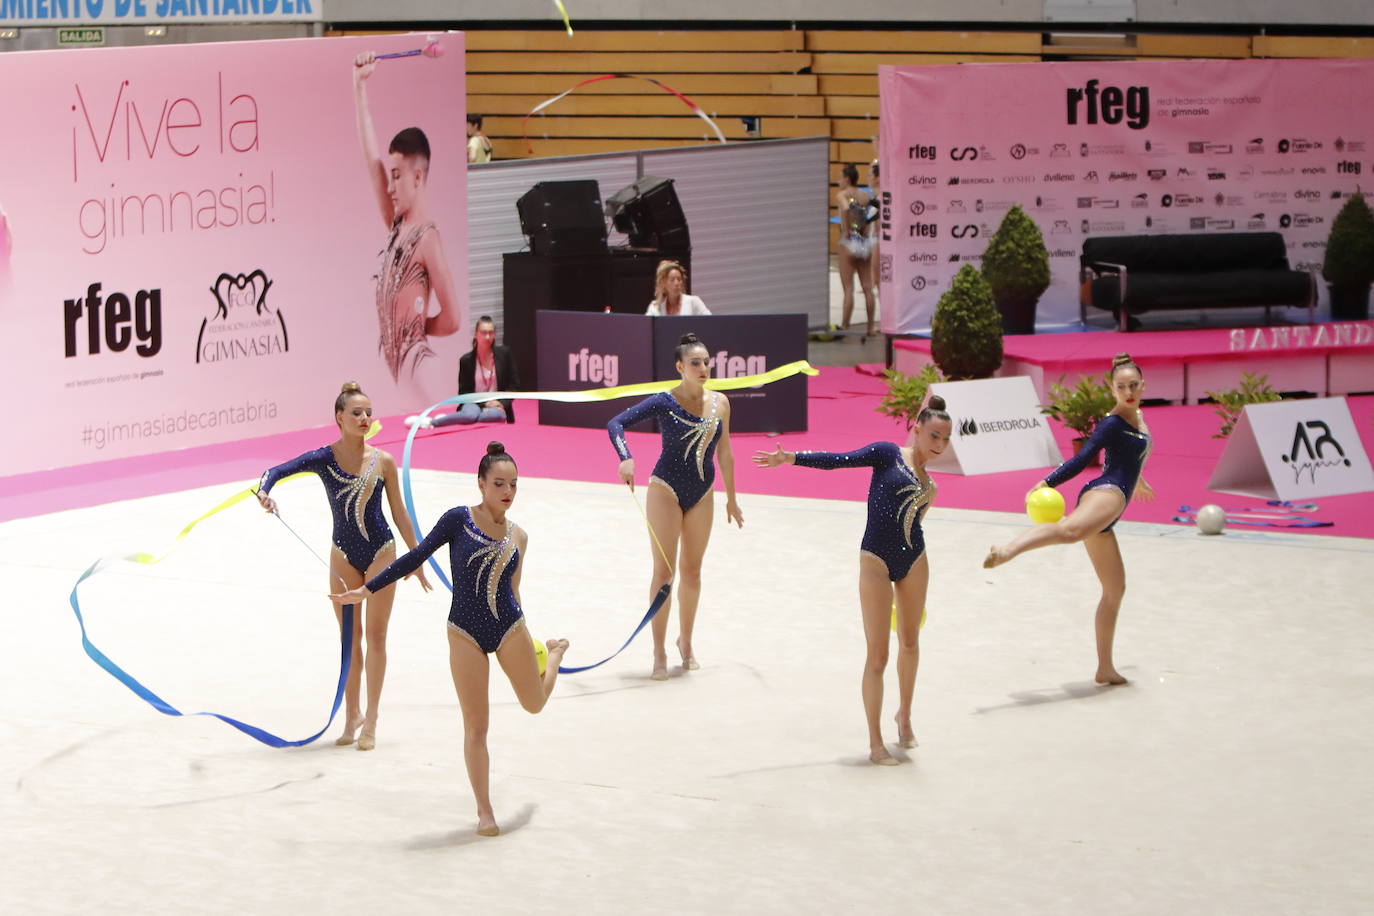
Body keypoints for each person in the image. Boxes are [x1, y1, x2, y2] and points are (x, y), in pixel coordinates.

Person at [330, 441, 568, 837]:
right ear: (480, 483)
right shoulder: (458, 520)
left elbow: (514, 590)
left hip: (510, 626)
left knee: (535, 704)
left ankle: (555, 655)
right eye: (498, 484)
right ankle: (484, 810)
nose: (507, 492)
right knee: (476, 727)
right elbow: (416, 555)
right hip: (464, 632)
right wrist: (367, 589)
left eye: (513, 485)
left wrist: (529, 636)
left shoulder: (519, 537)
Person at [753, 396, 951, 766]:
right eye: (934, 436)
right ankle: (875, 743)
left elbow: (914, 525)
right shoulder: (887, 453)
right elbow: (837, 460)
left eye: (945, 439)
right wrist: (791, 457)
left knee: (910, 642)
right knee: (877, 654)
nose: (939, 445)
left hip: (915, 559)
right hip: (875, 559)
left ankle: (904, 715)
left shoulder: (931, 487)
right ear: (917, 429)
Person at [256, 381, 432, 751]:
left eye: (369, 412)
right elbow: (275, 471)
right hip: (342, 556)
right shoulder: (324, 458)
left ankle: (372, 717)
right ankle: (351, 715)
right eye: (357, 412)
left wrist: (415, 558)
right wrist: (265, 494)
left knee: (377, 636)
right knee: (350, 640)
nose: (365, 418)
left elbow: (400, 512)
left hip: (382, 551)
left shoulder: (382, 461)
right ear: (340, 417)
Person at [983, 354, 1156, 686]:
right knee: (1070, 530)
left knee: (1114, 589)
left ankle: (1104, 668)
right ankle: (1007, 549)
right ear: (1112, 388)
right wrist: (1049, 482)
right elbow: (1082, 458)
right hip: (1107, 493)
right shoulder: (1112, 423)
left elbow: (1133, 458)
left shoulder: (1139, 420)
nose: (1128, 391)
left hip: (1114, 506)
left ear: (1142, 386)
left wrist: (1141, 481)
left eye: (1133, 385)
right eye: (1121, 387)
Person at [607, 332, 743, 680]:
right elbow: (616, 423)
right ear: (680, 367)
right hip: (664, 489)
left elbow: (725, 452)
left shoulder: (721, 404)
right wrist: (626, 458)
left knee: (693, 571)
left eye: (706, 362)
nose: (703, 368)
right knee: (665, 572)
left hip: (703, 492)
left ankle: (686, 641)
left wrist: (731, 497)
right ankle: (658, 649)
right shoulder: (665, 401)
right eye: (695, 363)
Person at [353, 51, 462, 383]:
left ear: (417, 177)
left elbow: (453, 318)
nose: (389, 186)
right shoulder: (397, 227)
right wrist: (359, 87)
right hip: (398, 367)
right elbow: (371, 161)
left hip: (418, 368)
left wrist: (414, 329)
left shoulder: (427, 238)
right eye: (390, 175)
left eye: (397, 175)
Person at [408, 315, 521, 428]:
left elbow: (514, 385)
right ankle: (431, 422)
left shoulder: (505, 354)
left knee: (497, 416)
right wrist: (485, 403)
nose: (487, 337)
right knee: (470, 415)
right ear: (476, 334)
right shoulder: (466, 360)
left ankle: (457, 417)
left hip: (497, 406)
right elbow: (464, 392)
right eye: (483, 332)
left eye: (491, 333)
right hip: (474, 403)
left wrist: (501, 402)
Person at [835, 163, 876, 337]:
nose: (838, 180)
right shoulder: (865, 195)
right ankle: (870, 328)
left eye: (840, 177)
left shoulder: (842, 195)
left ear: (847, 178)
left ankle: (845, 325)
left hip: (849, 241)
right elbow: (871, 215)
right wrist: (863, 232)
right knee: (867, 287)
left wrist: (846, 230)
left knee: (849, 288)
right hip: (863, 241)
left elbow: (846, 208)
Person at [645, 260, 710, 316]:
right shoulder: (655, 307)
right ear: (663, 283)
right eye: (672, 280)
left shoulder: (693, 301)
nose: (676, 283)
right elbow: (646, 326)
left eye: (679, 279)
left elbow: (710, 321)